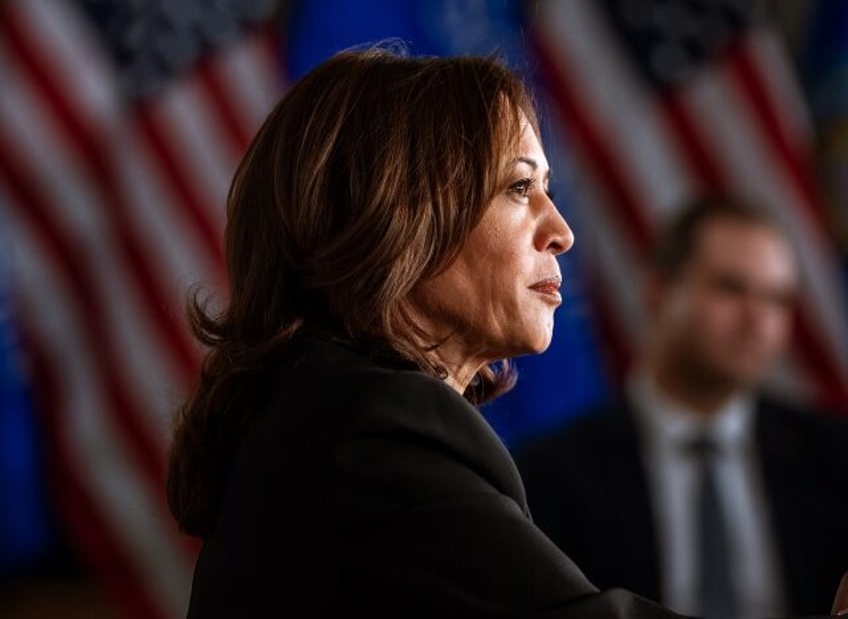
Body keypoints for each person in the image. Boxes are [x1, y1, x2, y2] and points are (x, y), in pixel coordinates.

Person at [165, 47, 847, 617]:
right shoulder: (377, 421)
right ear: (401, 216)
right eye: (521, 189)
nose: (562, 230)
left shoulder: (310, 403)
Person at [514, 197, 848, 619]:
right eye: (731, 289)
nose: (758, 320)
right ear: (659, 291)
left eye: (777, 299)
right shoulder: (549, 474)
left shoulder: (836, 460)